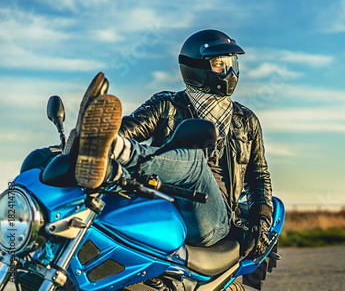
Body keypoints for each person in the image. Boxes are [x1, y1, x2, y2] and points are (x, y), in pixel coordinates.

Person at [70, 30, 273, 256]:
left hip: (212, 219)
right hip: (160, 207)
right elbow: (130, 128)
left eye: (231, 63)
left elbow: (258, 176)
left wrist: (261, 221)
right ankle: (95, 147)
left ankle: (114, 148)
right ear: (196, 67)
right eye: (220, 64)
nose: (230, 71)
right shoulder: (167, 104)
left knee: (194, 161)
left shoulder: (245, 120)